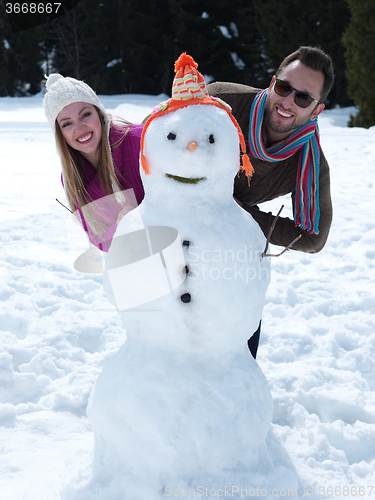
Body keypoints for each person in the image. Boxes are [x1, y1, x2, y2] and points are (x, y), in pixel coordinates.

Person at [207, 46, 334, 358]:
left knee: (234, 351)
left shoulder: (308, 162)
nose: (288, 102)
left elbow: (313, 236)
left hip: (231, 253)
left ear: (316, 110)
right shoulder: (220, 103)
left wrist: (240, 215)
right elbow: (152, 142)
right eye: (284, 87)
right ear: (272, 82)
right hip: (174, 232)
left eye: (303, 97)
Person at [43, 74, 144, 252]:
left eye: (85, 114)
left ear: (99, 113)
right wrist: (120, 227)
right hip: (139, 260)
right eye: (67, 124)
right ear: (60, 135)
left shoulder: (139, 141)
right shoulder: (73, 177)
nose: (80, 128)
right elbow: (99, 239)